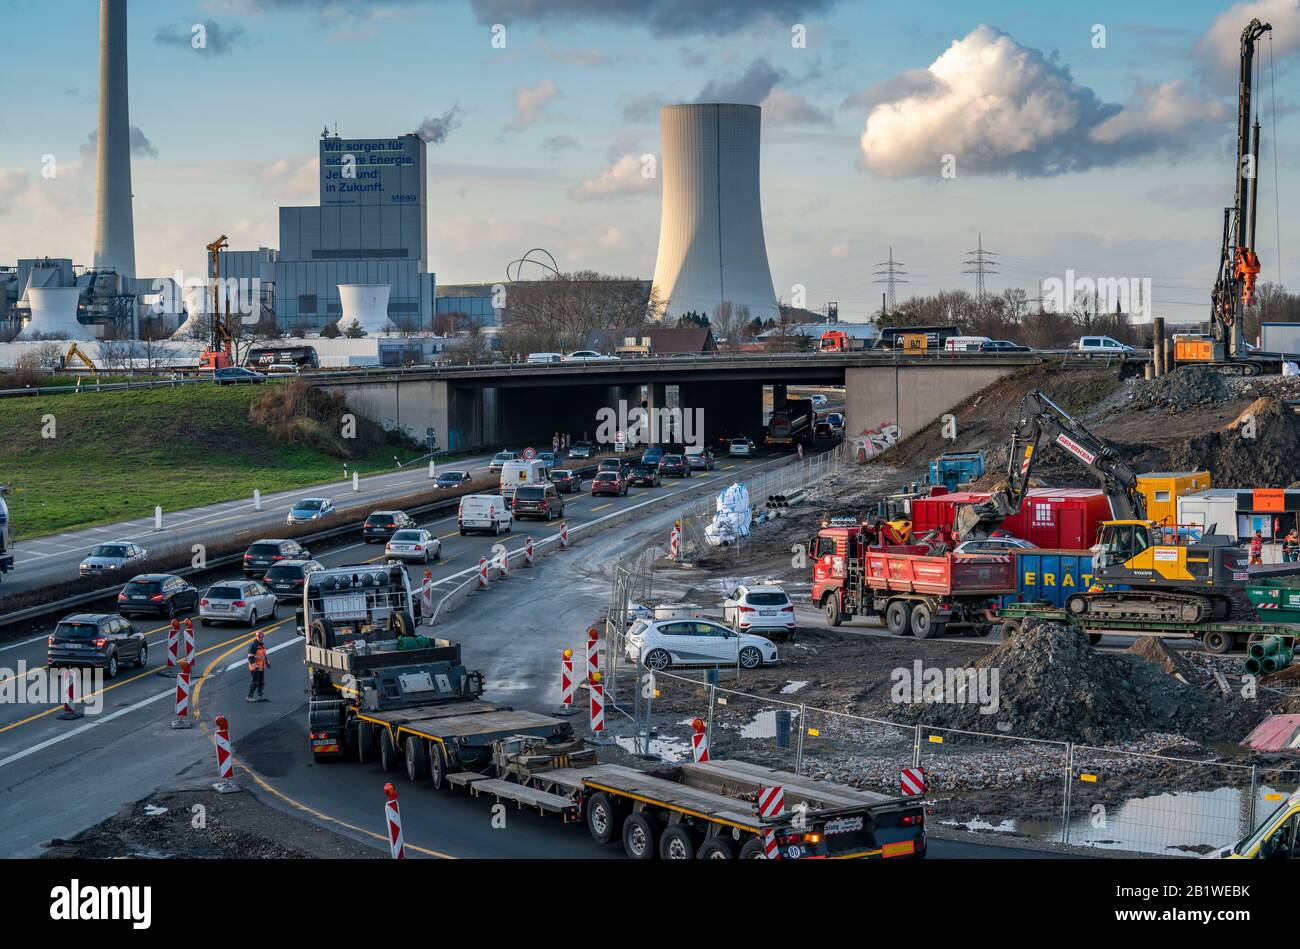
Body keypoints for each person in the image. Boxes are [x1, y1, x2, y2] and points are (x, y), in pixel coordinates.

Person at [246, 630, 269, 702]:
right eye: (259, 637)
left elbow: (263, 655)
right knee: (255, 682)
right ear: (256, 637)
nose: (261, 638)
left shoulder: (261, 645)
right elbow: (250, 657)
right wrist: (254, 665)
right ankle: (249, 696)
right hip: (255, 668)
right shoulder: (253, 645)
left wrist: (267, 662)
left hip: (261, 667)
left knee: (261, 682)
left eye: (262, 637)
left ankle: (260, 696)